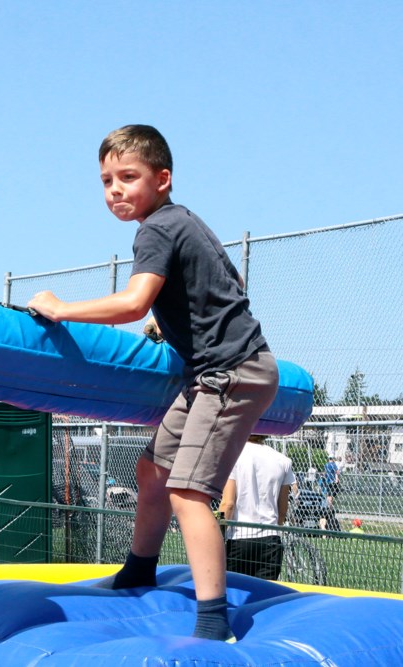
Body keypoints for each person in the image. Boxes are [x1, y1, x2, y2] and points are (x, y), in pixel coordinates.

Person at [28, 124, 279, 641]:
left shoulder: (157, 229)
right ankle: (139, 569)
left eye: (128, 176)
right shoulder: (183, 223)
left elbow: (132, 303)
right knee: (152, 471)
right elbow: (226, 286)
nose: (115, 190)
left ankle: (213, 622)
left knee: (188, 490)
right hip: (211, 373)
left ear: (162, 179)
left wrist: (60, 309)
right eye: (106, 181)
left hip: (230, 374)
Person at [218, 435, 296, 580]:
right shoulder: (283, 460)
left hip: (239, 539)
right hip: (271, 540)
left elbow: (227, 504)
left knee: (236, 593)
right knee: (265, 595)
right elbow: (282, 511)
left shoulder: (232, 457)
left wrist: (217, 534)